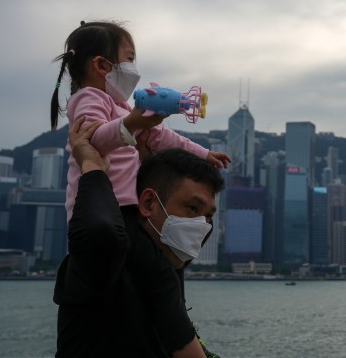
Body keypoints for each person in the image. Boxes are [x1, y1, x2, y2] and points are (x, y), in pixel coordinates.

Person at [55, 115, 225, 357]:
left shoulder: (168, 259)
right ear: (147, 203)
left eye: (208, 216)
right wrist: (91, 166)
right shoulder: (103, 266)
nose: (201, 225)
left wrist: (144, 159)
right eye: (193, 209)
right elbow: (102, 232)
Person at [49, 20, 230, 218]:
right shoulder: (88, 97)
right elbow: (91, 142)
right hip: (95, 209)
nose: (133, 68)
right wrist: (132, 123)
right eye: (129, 59)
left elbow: (162, 136)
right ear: (102, 65)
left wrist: (202, 154)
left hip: (127, 206)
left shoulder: (124, 108)